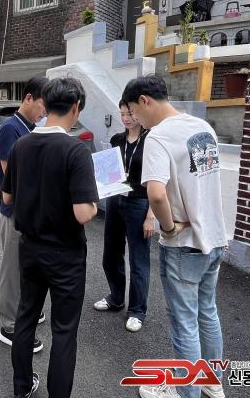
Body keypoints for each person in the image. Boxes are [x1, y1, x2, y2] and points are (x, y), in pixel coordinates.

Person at [122, 75, 228, 398]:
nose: (135, 119)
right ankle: (211, 382)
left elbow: (155, 194)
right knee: (207, 312)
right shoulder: (203, 128)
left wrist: (168, 228)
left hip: (183, 246)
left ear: (144, 101)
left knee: (185, 324)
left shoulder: (158, 137)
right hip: (214, 237)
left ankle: (186, 392)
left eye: (133, 111)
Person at [2, 77, 99, 398]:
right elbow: (83, 213)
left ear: (47, 104)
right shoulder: (75, 150)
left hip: (29, 248)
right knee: (64, 331)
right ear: (75, 108)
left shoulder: (21, 145)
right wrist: (95, 201)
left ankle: (21, 388)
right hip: (65, 255)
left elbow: (6, 197)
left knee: (26, 317)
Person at [93, 99, 156, 333]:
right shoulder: (117, 140)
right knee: (111, 254)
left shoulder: (151, 140)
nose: (126, 118)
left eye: (129, 113)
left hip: (139, 202)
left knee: (139, 260)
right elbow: (110, 172)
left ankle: (137, 310)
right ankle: (116, 297)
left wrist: (151, 215)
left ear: (138, 111)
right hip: (115, 199)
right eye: (122, 114)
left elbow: (158, 180)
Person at [0, 77, 48, 353]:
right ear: (28, 98)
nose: (44, 113)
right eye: (42, 106)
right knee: (12, 269)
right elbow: (11, 177)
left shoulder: (30, 129)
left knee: (27, 267)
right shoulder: (10, 129)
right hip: (14, 212)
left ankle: (26, 311)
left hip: (29, 213)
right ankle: (9, 325)